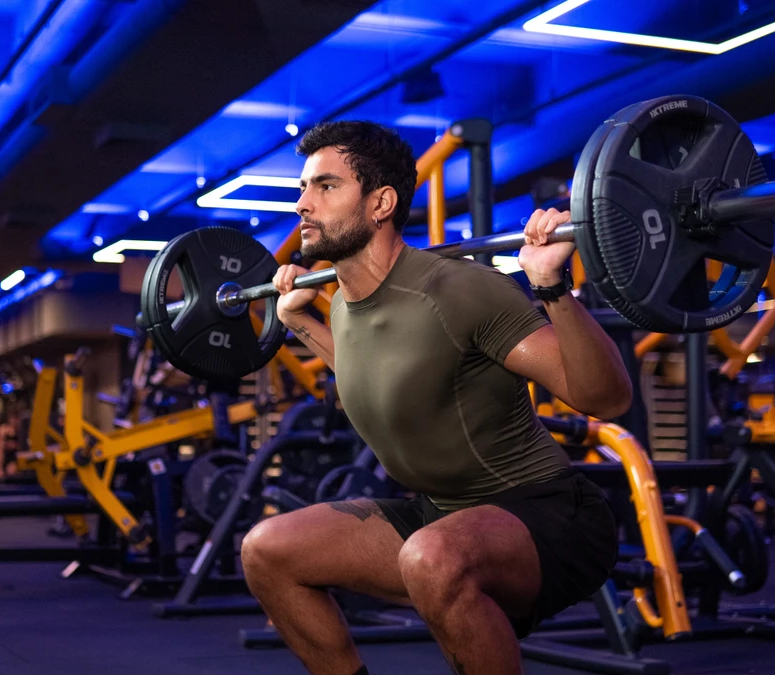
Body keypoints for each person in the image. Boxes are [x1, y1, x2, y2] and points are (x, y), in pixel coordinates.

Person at [240, 121, 632, 675]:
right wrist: (300, 323)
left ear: (381, 203)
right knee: (266, 550)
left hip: (547, 514)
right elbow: (377, 388)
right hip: (438, 513)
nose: (303, 204)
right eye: (303, 188)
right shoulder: (341, 303)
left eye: (325, 187)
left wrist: (549, 285)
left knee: (431, 557)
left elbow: (606, 399)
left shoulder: (458, 288)